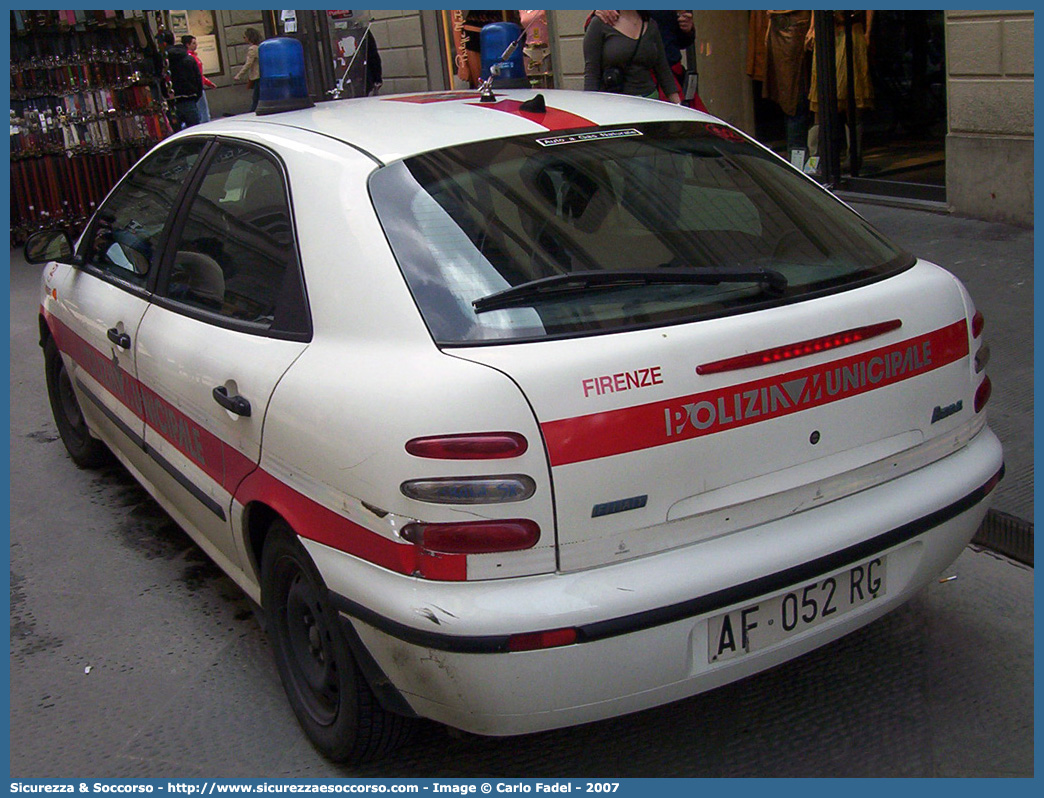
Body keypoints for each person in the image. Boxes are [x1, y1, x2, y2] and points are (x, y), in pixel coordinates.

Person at [592, 10, 703, 109]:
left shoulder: (651, 24)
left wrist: (687, 30)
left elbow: (676, 45)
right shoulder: (602, 21)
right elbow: (592, 69)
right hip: (621, 91)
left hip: (664, 77)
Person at [583, 10, 679, 102]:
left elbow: (663, 69)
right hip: (615, 103)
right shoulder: (600, 23)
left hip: (650, 100)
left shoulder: (651, 24)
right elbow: (592, 72)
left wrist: (678, 105)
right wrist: (591, 107)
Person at [165, 34, 203, 127]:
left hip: (172, 101)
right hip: (189, 99)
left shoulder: (165, 62)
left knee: (176, 134)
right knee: (194, 131)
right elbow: (198, 79)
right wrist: (195, 95)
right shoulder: (189, 59)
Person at [182, 35, 215, 123]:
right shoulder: (191, 58)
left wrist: (208, 82)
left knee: (201, 109)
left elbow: (199, 74)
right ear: (187, 45)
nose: (196, 45)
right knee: (203, 110)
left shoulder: (192, 56)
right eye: (193, 43)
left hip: (198, 85)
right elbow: (197, 74)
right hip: (197, 86)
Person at [234, 28, 262, 112]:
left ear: (249, 37)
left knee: (256, 98)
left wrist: (239, 75)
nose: (244, 39)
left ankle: (252, 113)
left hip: (257, 76)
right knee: (258, 97)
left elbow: (248, 64)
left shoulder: (252, 49)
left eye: (245, 37)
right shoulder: (259, 47)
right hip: (261, 75)